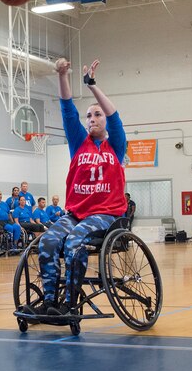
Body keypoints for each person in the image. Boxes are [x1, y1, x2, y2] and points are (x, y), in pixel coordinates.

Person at [25, 57, 128, 319]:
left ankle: (70, 303)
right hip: (77, 212)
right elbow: (67, 109)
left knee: (74, 242)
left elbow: (114, 116)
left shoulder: (115, 146)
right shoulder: (78, 144)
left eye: (97, 115)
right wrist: (62, 75)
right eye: (89, 116)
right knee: (47, 241)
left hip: (105, 213)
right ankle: (50, 303)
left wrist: (92, 85)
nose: (91, 119)